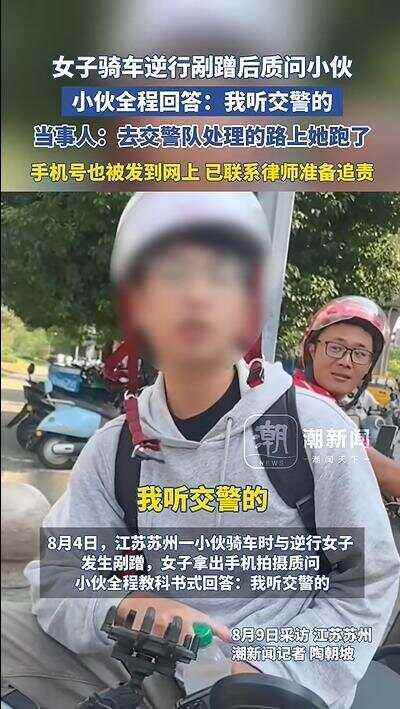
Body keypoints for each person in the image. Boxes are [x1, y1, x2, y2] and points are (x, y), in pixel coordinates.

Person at [3, 193, 400, 709]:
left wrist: (265, 670)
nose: (194, 297)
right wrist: (122, 607)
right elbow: (58, 575)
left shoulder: (313, 430)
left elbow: (367, 581)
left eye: (219, 276)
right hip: (143, 664)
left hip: (265, 683)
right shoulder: (116, 447)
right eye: (169, 276)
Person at [293, 296, 400, 499]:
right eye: (336, 348)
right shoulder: (309, 405)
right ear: (312, 350)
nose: (346, 361)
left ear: (369, 366)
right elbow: (385, 473)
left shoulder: (309, 396)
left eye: (360, 354)